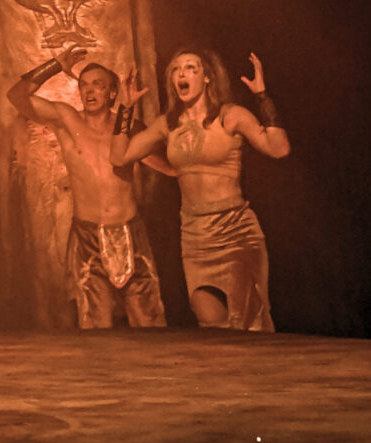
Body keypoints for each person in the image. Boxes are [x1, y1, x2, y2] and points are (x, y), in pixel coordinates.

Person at [111, 49, 290, 331]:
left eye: (191, 68)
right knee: (210, 323)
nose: (181, 74)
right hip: (195, 235)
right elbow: (119, 157)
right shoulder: (168, 124)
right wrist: (125, 109)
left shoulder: (230, 116)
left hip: (235, 231)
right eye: (176, 69)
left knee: (249, 324)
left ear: (207, 77)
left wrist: (262, 95)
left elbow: (278, 149)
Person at [7, 47, 167, 329]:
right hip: (87, 235)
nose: (90, 91)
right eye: (84, 85)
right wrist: (54, 66)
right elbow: (17, 97)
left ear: (112, 93)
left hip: (130, 231)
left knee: (149, 321)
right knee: (95, 324)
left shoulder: (129, 126)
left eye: (98, 85)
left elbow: (167, 165)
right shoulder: (67, 120)